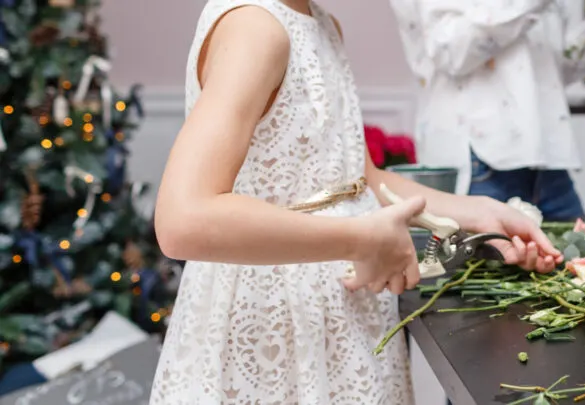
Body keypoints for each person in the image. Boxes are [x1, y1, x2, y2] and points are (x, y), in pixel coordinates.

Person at [149, 0, 563, 403]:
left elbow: (356, 179)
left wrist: (476, 211)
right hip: (277, 324)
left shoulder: (322, 24)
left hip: (341, 319)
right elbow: (183, 220)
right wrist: (359, 239)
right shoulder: (255, 28)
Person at [389, 0, 585, 222]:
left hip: (547, 160)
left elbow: (561, 69)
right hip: (481, 164)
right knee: (486, 272)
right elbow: (451, 53)